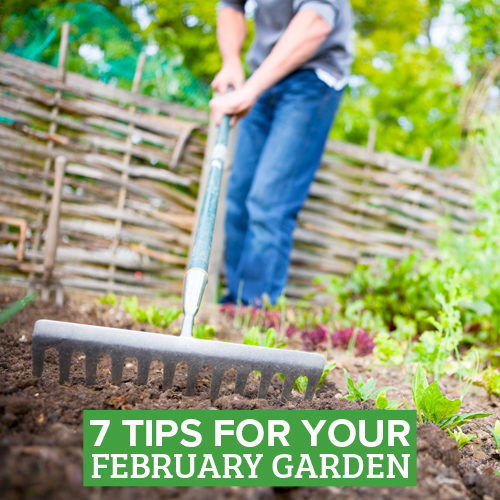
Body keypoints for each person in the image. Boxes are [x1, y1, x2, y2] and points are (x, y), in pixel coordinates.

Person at [210, 0, 354, 306]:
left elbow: (316, 22)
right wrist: (231, 61)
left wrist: (250, 90)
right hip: (262, 72)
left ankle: (255, 310)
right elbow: (231, 6)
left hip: (313, 73)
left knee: (269, 200)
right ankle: (235, 302)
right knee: (239, 196)